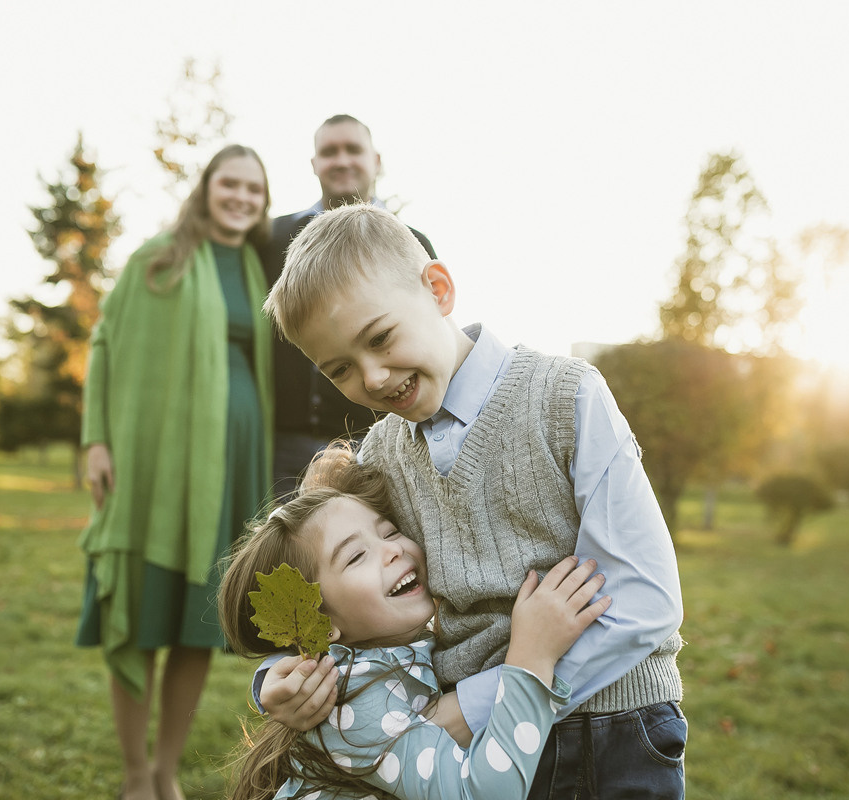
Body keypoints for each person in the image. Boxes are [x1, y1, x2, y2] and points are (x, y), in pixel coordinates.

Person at [259, 204, 687, 799]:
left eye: (380, 338)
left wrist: (476, 701)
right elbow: (327, 581)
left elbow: (646, 601)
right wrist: (276, 681)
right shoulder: (381, 455)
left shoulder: (565, 397)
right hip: (479, 760)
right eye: (340, 371)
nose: (374, 378)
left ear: (437, 290)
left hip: (607, 729)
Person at [218, 445, 612, 800]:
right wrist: (531, 659)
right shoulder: (351, 703)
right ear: (319, 622)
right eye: (356, 557)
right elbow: (481, 793)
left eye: (389, 531)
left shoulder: (384, 653)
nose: (392, 549)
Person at [75, 144, 275, 800]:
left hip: (228, 470)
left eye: (253, 189)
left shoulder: (254, 267)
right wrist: (96, 440)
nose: (241, 198)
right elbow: (104, 344)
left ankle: (166, 769)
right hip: (156, 467)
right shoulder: (157, 258)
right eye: (230, 185)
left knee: (195, 626)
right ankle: (135, 775)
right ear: (207, 188)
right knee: (144, 614)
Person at [259, 114, 437, 498]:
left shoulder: (410, 240)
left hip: (378, 440)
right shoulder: (272, 240)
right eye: (329, 152)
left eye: (353, 149)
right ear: (314, 165)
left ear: (376, 160)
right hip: (285, 446)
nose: (341, 160)